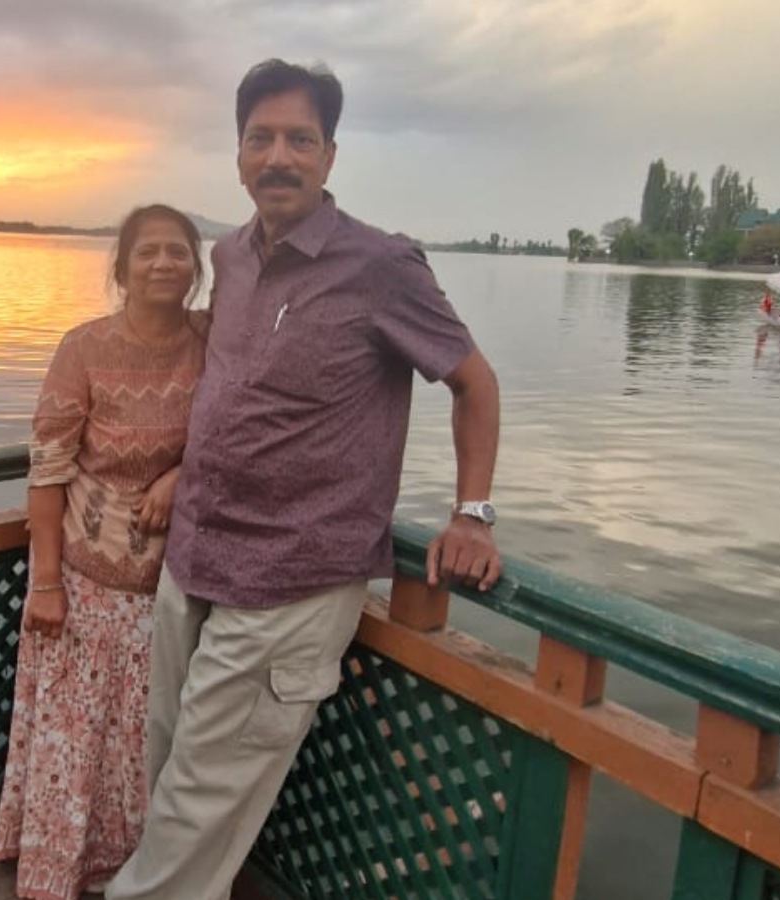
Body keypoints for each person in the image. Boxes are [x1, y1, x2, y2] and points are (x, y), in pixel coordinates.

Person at [105, 59, 503, 900]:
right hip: (194, 556)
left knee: (195, 804)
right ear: (238, 155)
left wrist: (472, 513)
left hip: (292, 578)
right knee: (167, 765)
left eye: (299, 139)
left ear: (329, 155)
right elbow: (235, 382)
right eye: (261, 138)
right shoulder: (231, 254)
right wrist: (182, 464)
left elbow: (474, 382)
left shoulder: (382, 265)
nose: (278, 157)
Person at [0, 204, 209, 899]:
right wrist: (46, 584)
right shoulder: (83, 347)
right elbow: (49, 467)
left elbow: (241, 433)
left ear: (196, 268)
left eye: (178, 251)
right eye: (147, 252)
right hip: (86, 581)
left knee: (150, 739)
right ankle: (60, 869)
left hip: (175, 585)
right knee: (76, 736)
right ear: (121, 268)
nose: (163, 263)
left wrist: (182, 475)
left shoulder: (214, 344)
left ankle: (137, 873)